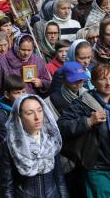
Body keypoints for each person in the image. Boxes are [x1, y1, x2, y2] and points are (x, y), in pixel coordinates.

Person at [0, 94, 68, 198]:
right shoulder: (10, 144)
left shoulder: (51, 138)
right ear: (19, 116)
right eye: (30, 113)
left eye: (40, 111)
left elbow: (59, 178)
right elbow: (8, 185)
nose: (37, 117)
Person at [58, 63, 110, 197]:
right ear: (93, 82)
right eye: (103, 79)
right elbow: (62, 126)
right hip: (98, 167)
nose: (108, 83)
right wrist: (88, 121)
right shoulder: (83, 103)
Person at [0, 75, 26, 143]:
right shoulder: (1, 115)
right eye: (17, 93)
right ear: (7, 95)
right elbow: (7, 141)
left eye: (23, 92)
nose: (22, 96)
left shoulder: (26, 108)